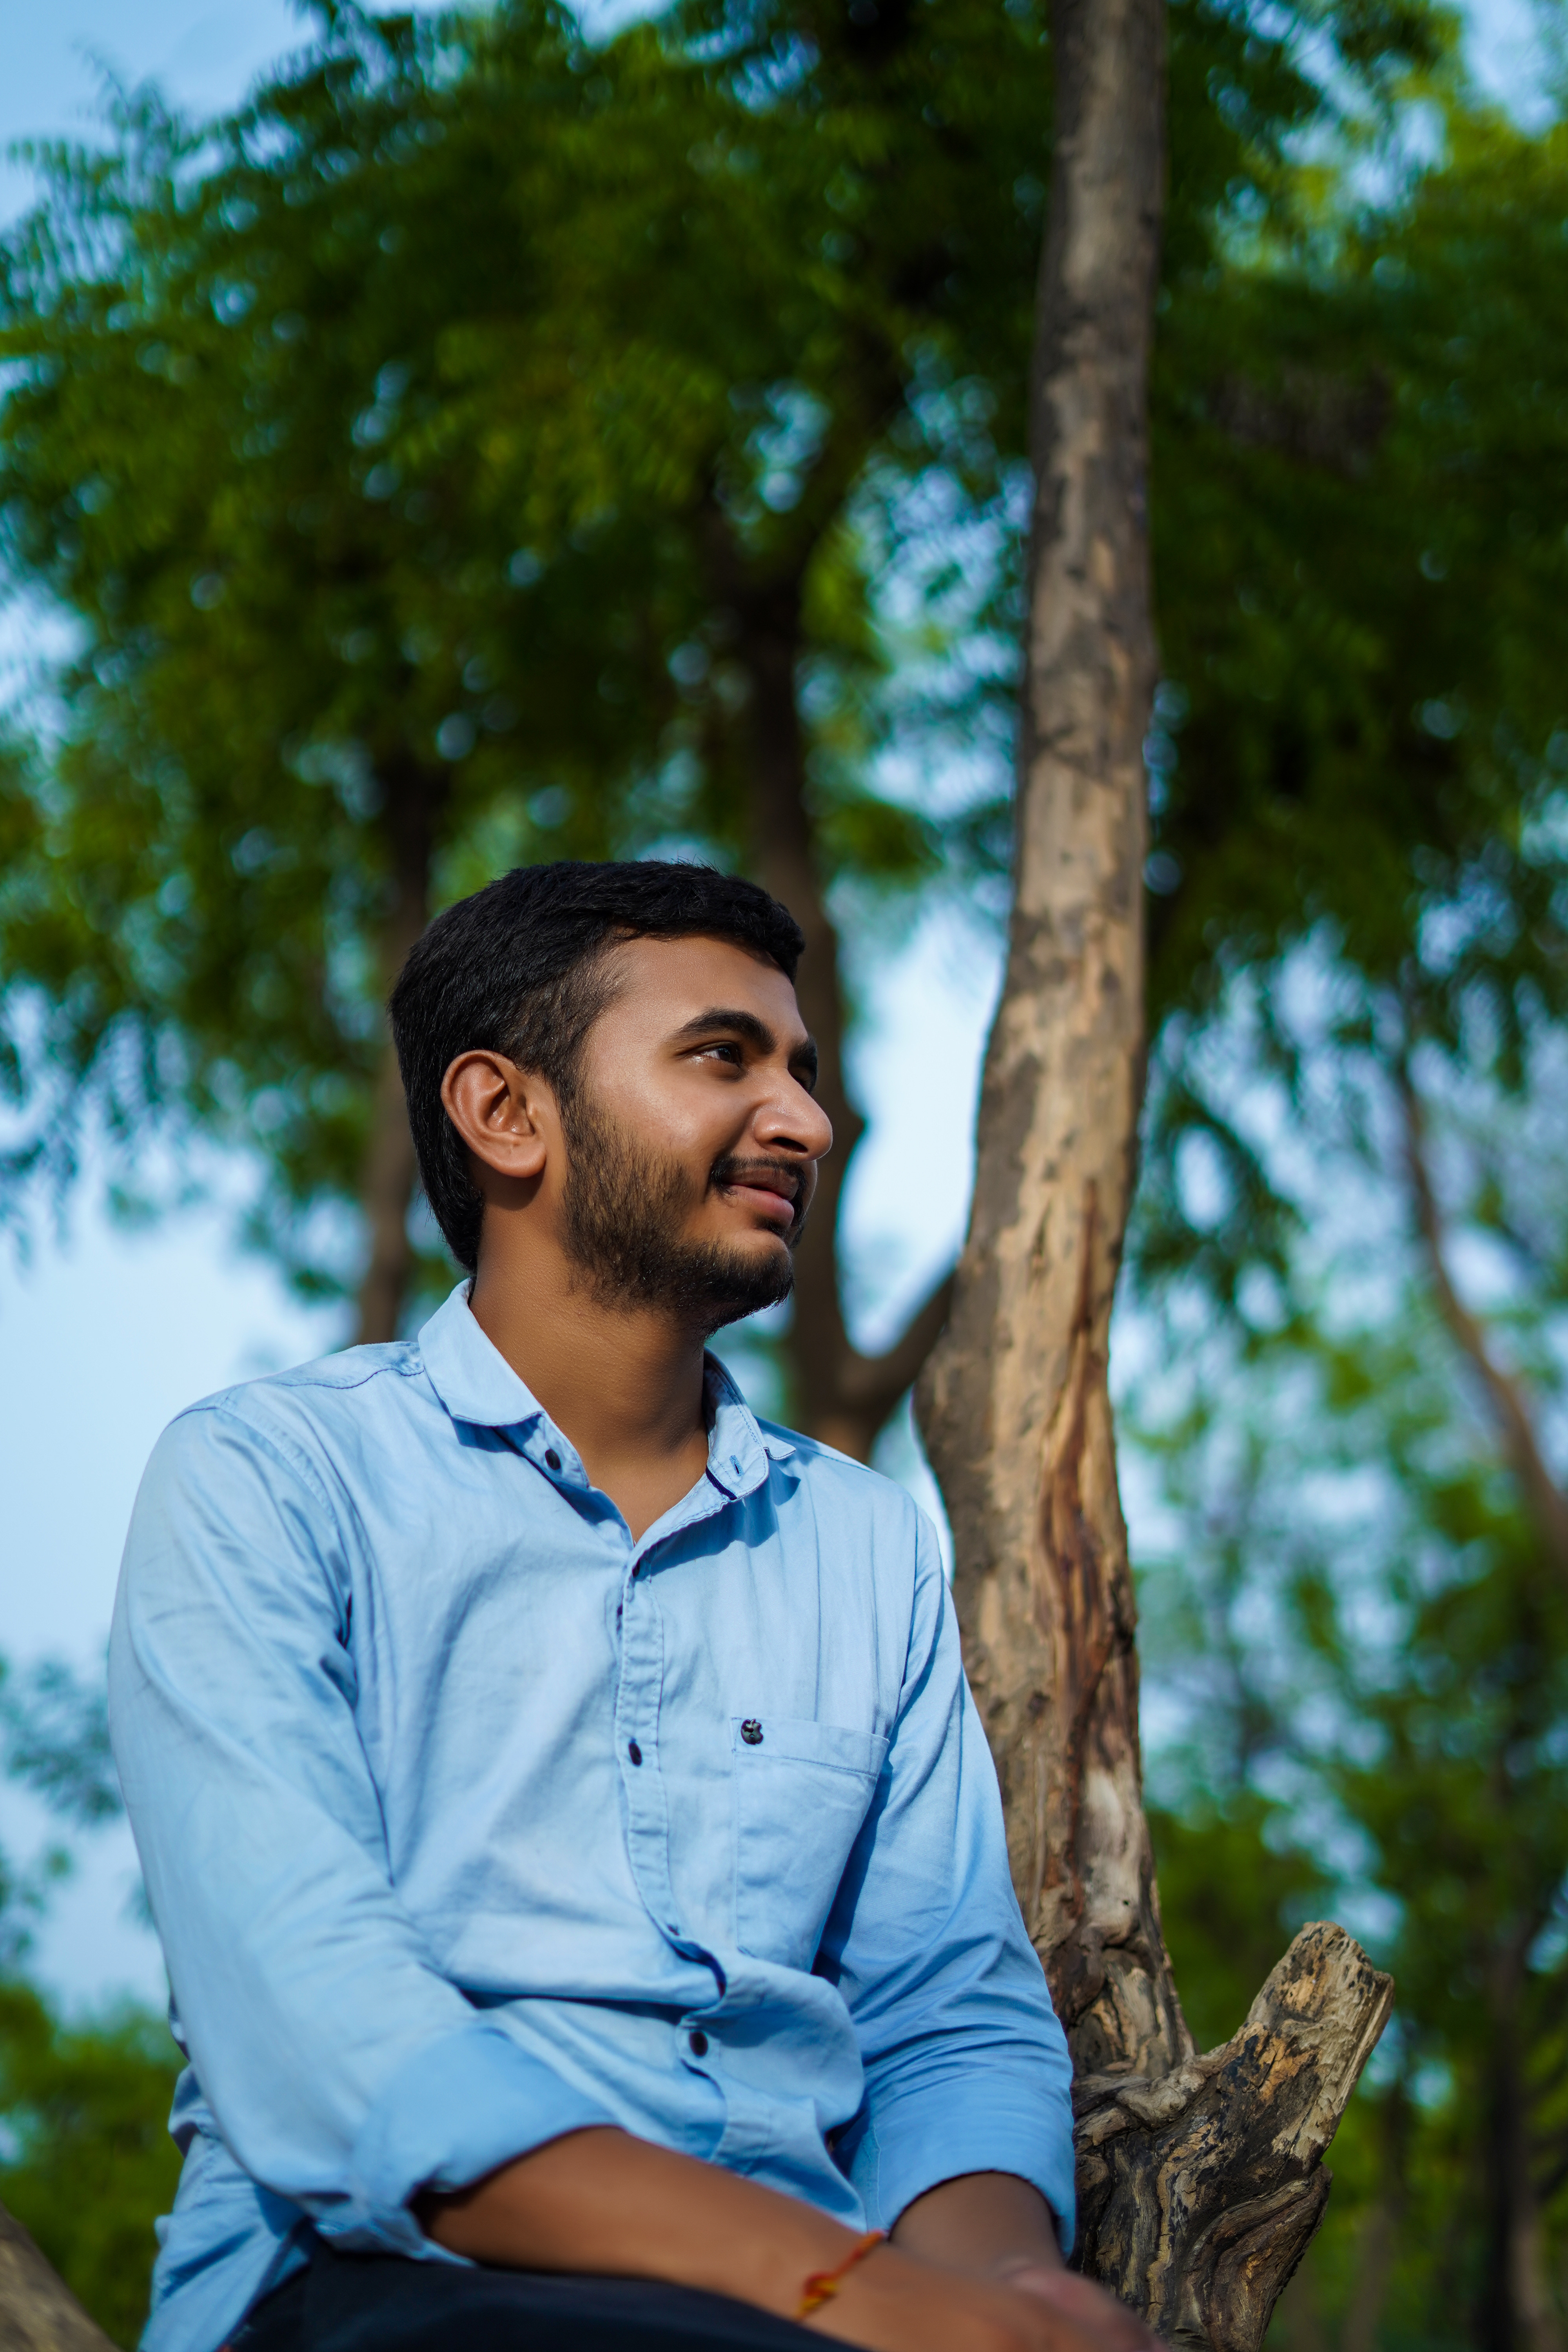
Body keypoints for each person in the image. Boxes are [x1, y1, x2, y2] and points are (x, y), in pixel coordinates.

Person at [109, 860, 1150, 2352]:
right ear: (505, 1113)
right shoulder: (269, 1479)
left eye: (803, 1071)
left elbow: (944, 2015)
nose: (806, 1121)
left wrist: (1005, 2301)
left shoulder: (865, 1543)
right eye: (724, 1057)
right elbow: (324, 2037)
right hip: (377, 2285)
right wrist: (854, 2289)